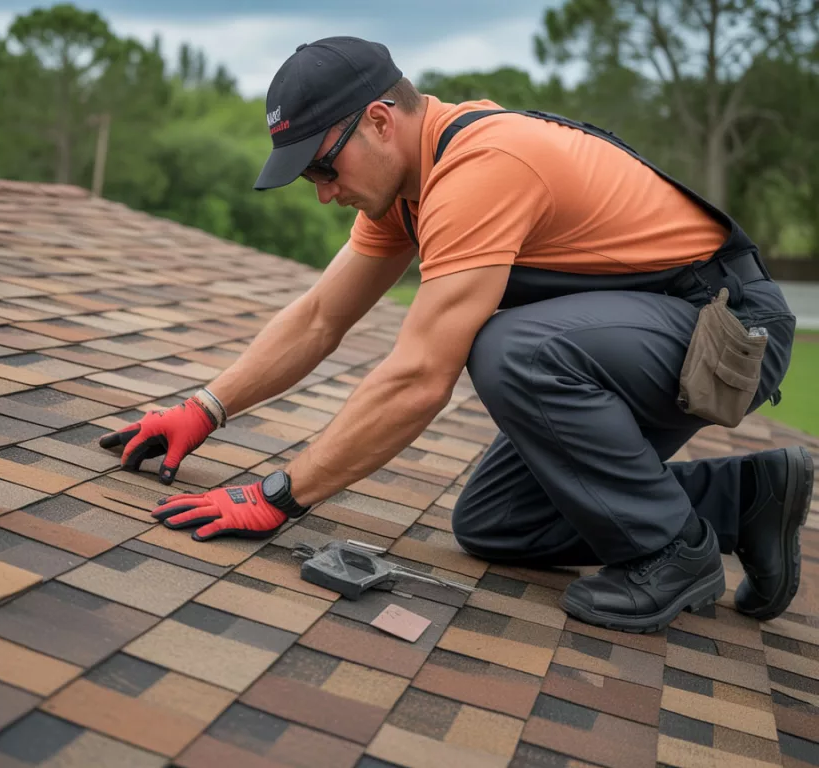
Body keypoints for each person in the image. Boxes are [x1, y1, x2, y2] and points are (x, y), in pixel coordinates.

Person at [98, 36, 812, 634]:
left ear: (380, 120)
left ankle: (671, 552)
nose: (321, 190)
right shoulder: (407, 187)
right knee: (496, 524)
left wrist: (277, 496)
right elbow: (321, 317)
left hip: (725, 328)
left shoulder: (481, 167)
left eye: (323, 165)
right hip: (646, 330)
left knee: (511, 349)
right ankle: (745, 498)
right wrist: (204, 407)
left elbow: (418, 379)